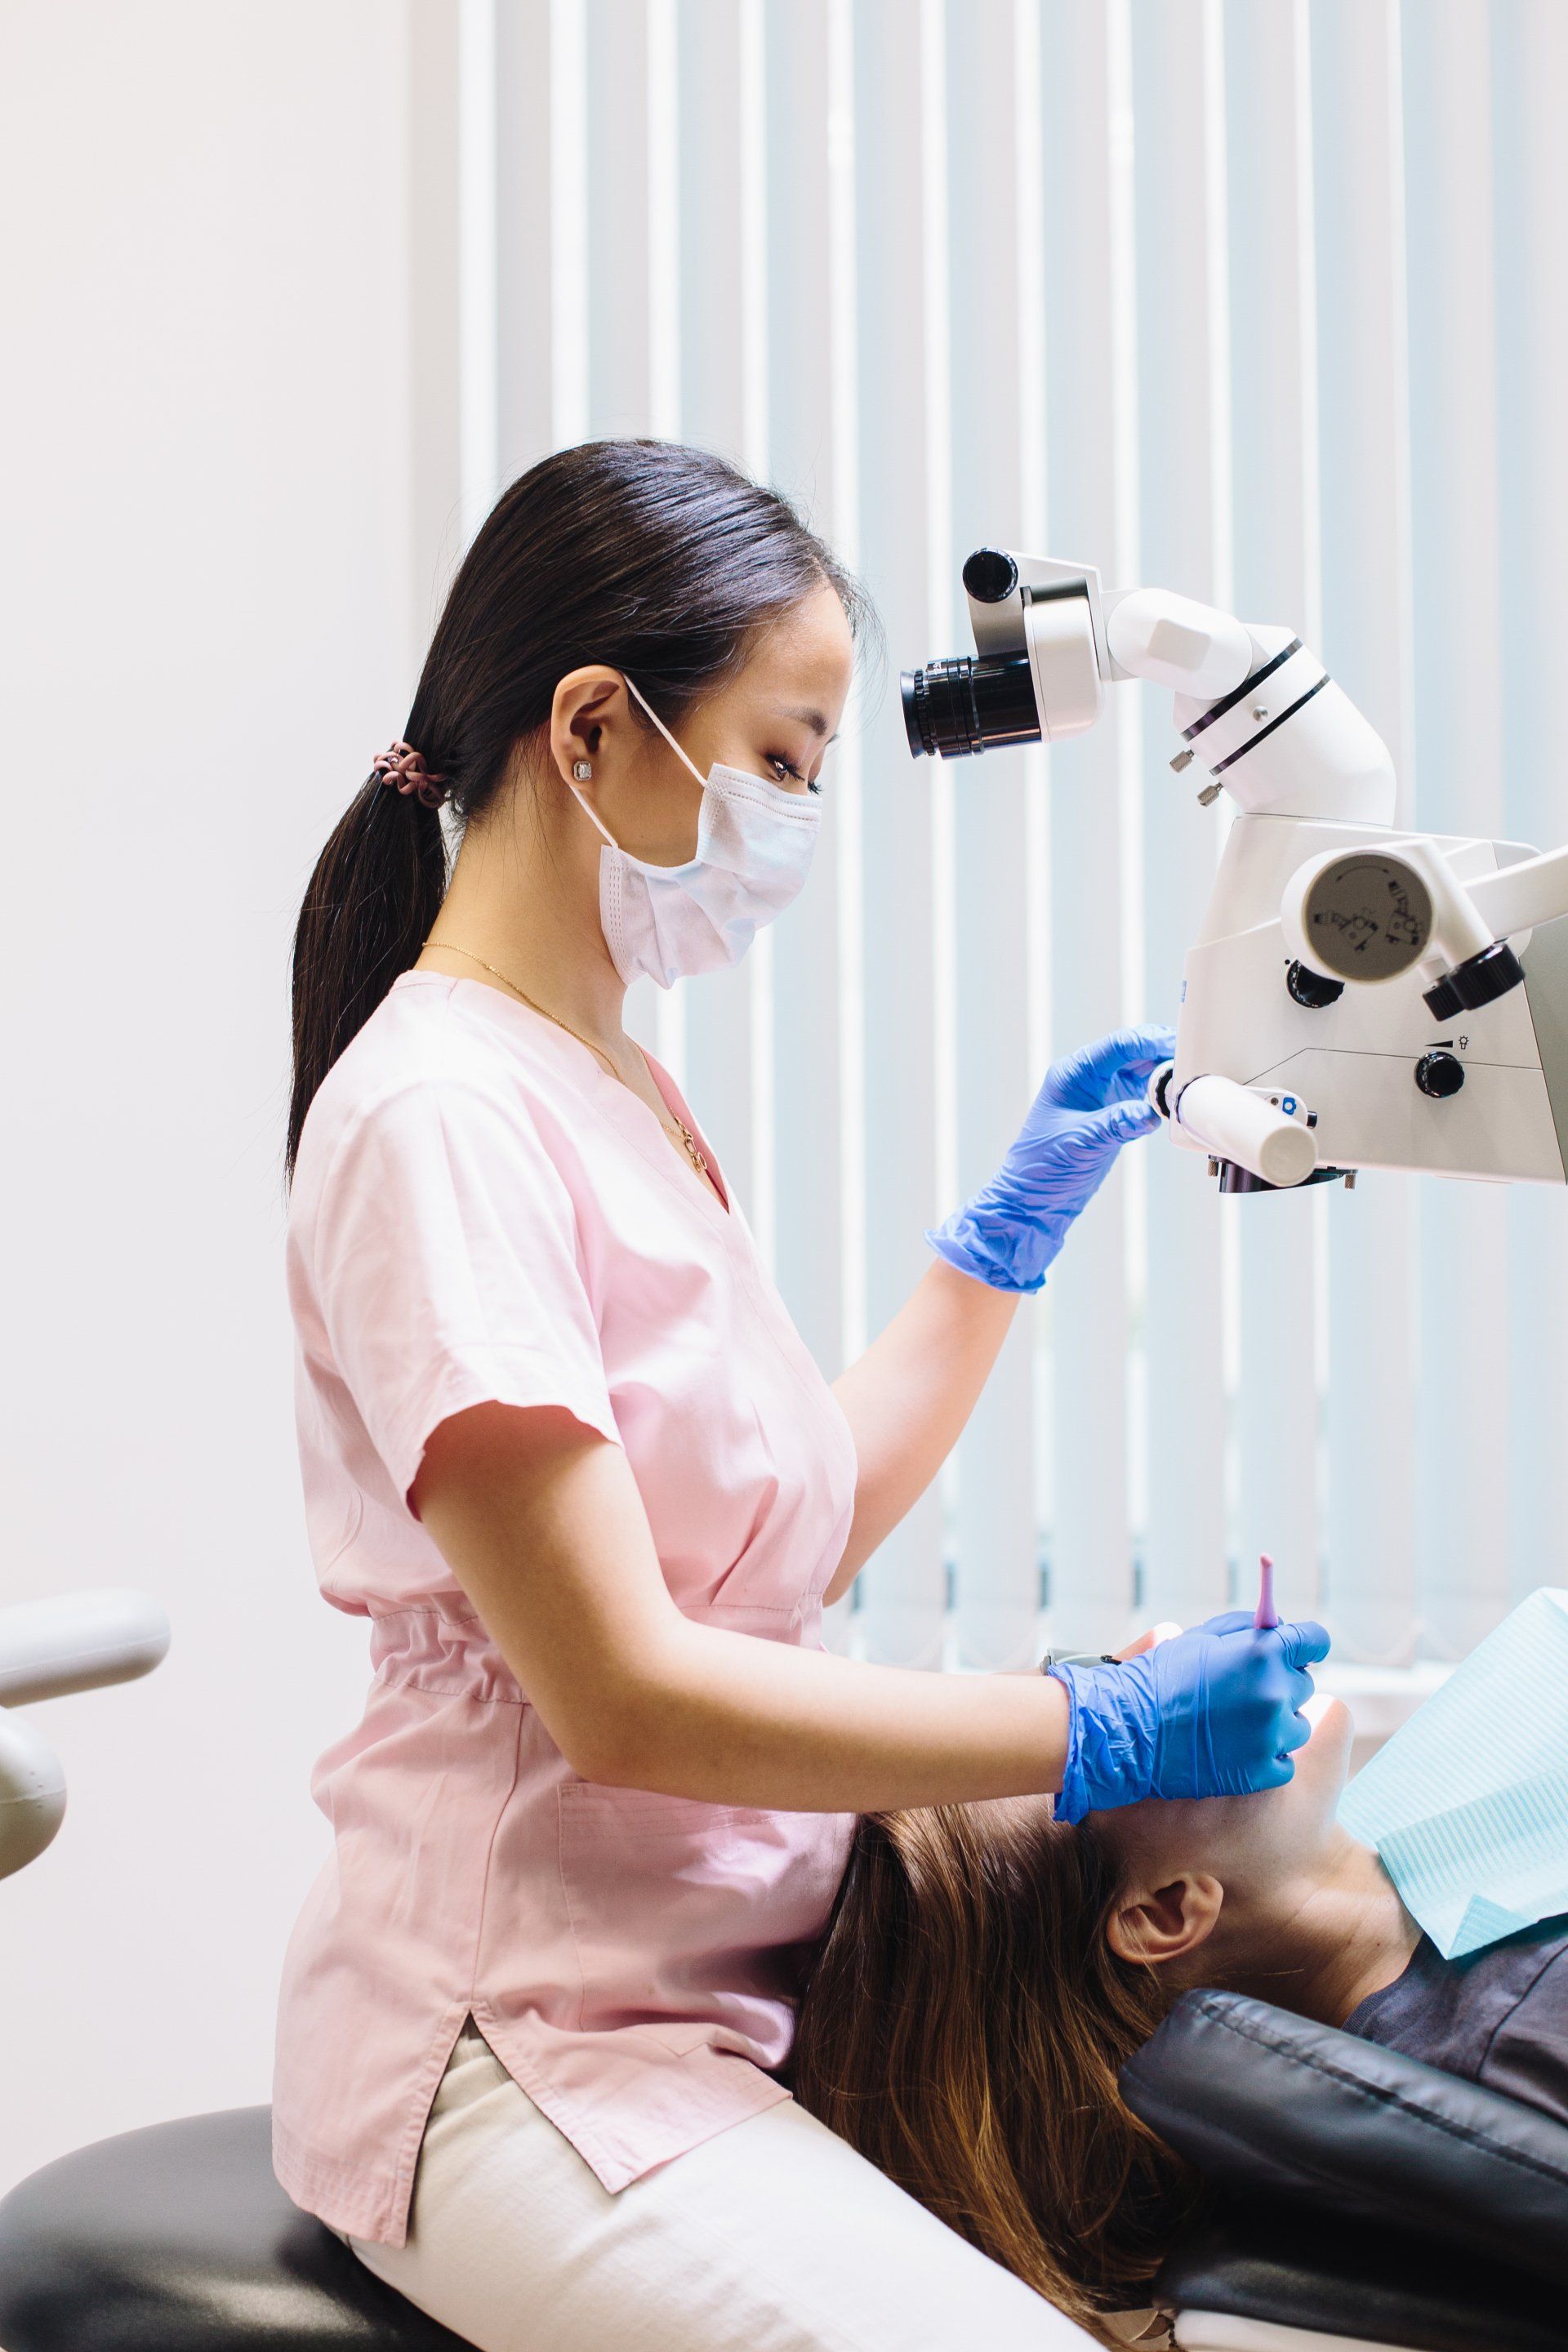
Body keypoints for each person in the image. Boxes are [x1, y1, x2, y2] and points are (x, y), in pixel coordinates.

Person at [273, 436, 1327, 2352]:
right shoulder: (442, 1116)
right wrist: (1080, 1729)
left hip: (700, 2002)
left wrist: (1000, 1247)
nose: (804, 809)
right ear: (592, 728)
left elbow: (777, 1526)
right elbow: (624, 1686)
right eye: (782, 753)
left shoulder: (612, 1086)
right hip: (519, 2043)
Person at [790, 1677, 1568, 2346]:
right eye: (1100, 1739)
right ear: (1165, 1911)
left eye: (1068, 1676)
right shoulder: (1522, 2024)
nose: (1155, 1657)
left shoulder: (1478, 1856)